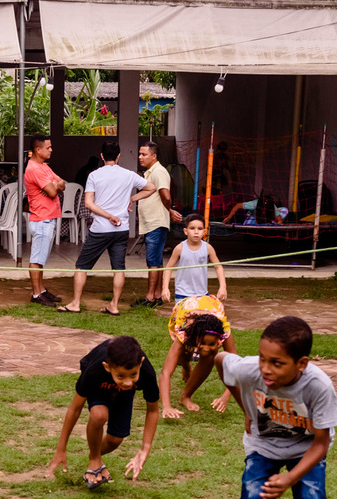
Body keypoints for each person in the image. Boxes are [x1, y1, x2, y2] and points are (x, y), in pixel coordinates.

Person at [217, 316, 337, 499]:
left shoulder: (319, 386)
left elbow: (321, 443)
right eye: (262, 359)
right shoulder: (249, 370)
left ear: (301, 363)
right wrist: (246, 408)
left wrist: (290, 478)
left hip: (306, 449)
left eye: (276, 363)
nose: (265, 369)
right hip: (263, 446)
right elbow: (221, 360)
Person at [46, 335, 160, 490]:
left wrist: (145, 449)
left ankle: (95, 456)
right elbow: (75, 408)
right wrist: (61, 448)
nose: (127, 382)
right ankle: (94, 460)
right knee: (99, 415)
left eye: (133, 374)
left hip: (123, 394)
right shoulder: (96, 370)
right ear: (108, 367)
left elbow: (153, 410)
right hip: (100, 386)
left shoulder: (146, 373)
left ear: (140, 364)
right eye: (121, 375)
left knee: (115, 440)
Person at [56, 140, 155, 315]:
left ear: (102, 156)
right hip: (121, 229)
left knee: (81, 266)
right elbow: (151, 188)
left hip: (100, 228)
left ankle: (75, 304)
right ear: (118, 156)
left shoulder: (94, 175)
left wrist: (109, 216)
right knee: (119, 268)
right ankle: (114, 305)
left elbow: (88, 203)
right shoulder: (129, 174)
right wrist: (132, 199)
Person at [159, 302, 236, 416]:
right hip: (186, 307)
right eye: (203, 343)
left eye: (211, 343)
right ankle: (185, 366)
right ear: (195, 337)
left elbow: (236, 368)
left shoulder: (224, 333)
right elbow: (165, 373)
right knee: (184, 352)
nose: (206, 348)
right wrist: (166, 407)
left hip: (209, 305)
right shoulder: (184, 332)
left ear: (219, 339)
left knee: (211, 355)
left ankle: (185, 396)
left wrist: (225, 397)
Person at [135, 141, 182, 307]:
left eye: (144, 154)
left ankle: (150, 297)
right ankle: (157, 294)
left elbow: (166, 195)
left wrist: (169, 209)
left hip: (156, 222)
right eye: (140, 154)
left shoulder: (159, 172)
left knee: (152, 261)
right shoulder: (150, 172)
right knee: (156, 260)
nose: (140, 157)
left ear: (154, 156)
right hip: (151, 222)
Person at [22, 135, 65, 307]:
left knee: (41, 257)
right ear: (38, 150)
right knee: (36, 258)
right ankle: (36, 293)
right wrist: (55, 185)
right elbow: (54, 191)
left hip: (47, 217)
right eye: (48, 147)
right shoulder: (35, 169)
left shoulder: (43, 167)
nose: (51, 150)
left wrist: (55, 184)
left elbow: (62, 183)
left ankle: (41, 290)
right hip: (42, 218)